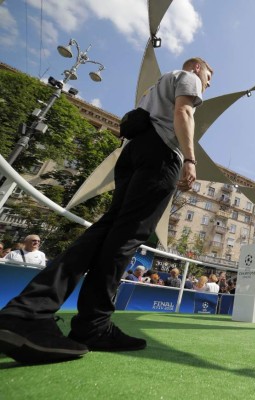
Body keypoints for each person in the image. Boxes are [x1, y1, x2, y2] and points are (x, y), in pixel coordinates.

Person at [0, 57, 213, 364]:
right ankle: (83, 323)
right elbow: (184, 111)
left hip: (133, 154)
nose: (208, 83)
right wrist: (190, 159)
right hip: (161, 154)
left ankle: (35, 310)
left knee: (107, 231)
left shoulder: (154, 89)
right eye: (209, 76)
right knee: (126, 236)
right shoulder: (187, 77)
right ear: (197, 68)